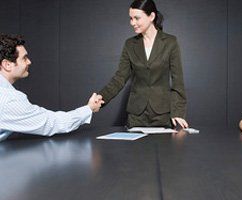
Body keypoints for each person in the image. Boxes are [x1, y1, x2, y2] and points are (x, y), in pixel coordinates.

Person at [99, 0, 188, 128]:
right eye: (131, 18)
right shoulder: (129, 44)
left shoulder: (170, 42)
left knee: (166, 148)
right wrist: (101, 98)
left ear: (151, 16)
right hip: (136, 115)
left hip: (162, 114)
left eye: (137, 18)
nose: (132, 23)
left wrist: (178, 112)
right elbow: (120, 78)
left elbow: (177, 81)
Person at [0, 34, 104, 142]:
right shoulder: (9, 100)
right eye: (24, 58)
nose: (29, 62)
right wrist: (89, 109)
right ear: (7, 64)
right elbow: (52, 123)